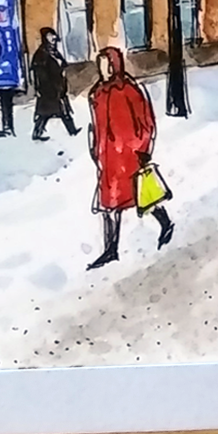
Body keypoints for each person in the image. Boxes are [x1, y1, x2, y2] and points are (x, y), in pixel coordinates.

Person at [85, 46, 171, 269]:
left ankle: (165, 222)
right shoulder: (98, 93)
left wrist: (142, 148)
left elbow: (146, 122)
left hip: (129, 156)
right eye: (101, 66)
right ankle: (110, 249)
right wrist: (95, 148)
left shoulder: (129, 89)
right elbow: (97, 126)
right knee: (108, 205)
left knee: (142, 195)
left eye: (107, 65)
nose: (103, 70)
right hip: (108, 158)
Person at [29, 28, 76, 141]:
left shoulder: (54, 52)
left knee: (62, 110)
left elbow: (63, 64)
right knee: (46, 113)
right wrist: (41, 88)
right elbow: (39, 73)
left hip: (58, 86)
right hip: (48, 88)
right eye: (50, 36)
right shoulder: (41, 54)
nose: (53, 39)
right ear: (45, 38)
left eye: (53, 36)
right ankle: (37, 133)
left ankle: (72, 130)